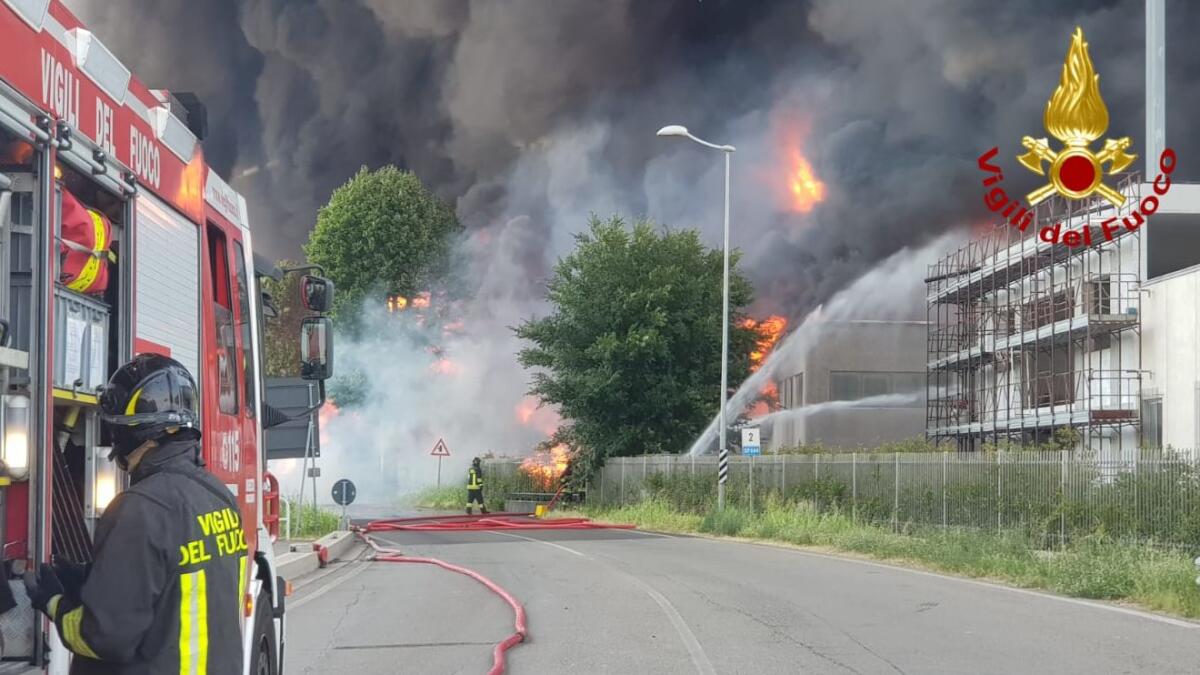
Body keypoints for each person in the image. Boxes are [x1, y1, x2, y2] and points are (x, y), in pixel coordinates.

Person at [24, 354, 246, 674]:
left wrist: (55, 603)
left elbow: (106, 637)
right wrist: (92, 578)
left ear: (132, 432)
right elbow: (174, 587)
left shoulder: (139, 509)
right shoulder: (219, 497)